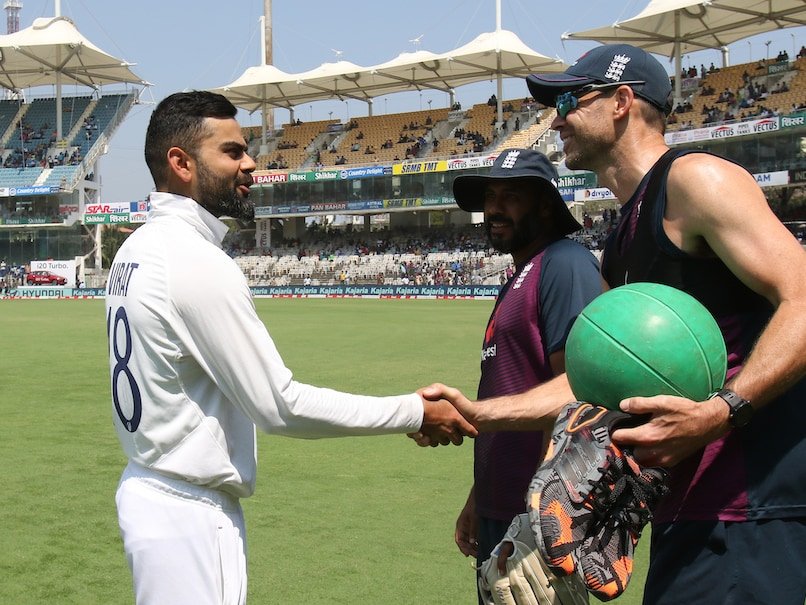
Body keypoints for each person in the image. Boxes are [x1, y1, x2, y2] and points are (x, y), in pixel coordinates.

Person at [427, 43, 806, 604]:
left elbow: (803, 297)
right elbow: (593, 384)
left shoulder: (695, 179)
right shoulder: (623, 238)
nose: (557, 118)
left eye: (572, 100)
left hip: (749, 507)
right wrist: (481, 413)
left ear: (622, 101)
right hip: (693, 510)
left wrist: (722, 412)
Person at [105, 90, 476, 605]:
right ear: (181, 163)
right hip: (187, 511)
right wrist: (414, 412)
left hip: (151, 489)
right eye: (232, 151)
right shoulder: (192, 260)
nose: (250, 163)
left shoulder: (137, 247)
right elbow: (279, 406)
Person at [449, 148, 602, 601]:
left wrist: (542, 522)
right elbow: (514, 386)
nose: (494, 208)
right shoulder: (523, 274)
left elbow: (573, 396)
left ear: (545, 205)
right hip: (503, 507)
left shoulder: (565, 264)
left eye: (510, 196)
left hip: (534, 517)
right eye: (490, 196)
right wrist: (480, 496)